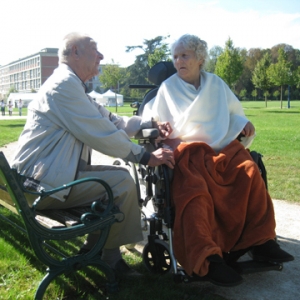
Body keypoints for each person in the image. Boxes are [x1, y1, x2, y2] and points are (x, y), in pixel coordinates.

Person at [12, 32, 175, 277]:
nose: (101, 55)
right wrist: (147, 157)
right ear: (75, 52)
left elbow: (114, 121)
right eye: (94, 49)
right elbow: (104, 135)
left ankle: (94, 248)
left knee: (112, 181)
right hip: (39, 187)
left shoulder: (71, 86)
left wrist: (149, 124)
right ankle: (111, 261)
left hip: (41, 178)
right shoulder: (64, 86)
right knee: (121, 182)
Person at [142, 34, 294, 286]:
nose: (178, 60)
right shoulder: (168, 88)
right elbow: (152, 120)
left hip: (220, 148)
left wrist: (242, 123)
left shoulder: (216, 84)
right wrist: (158, 128)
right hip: (187, 150)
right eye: (176, 56)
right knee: (195, 190)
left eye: (185, 55)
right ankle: (207, 257)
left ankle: (261, 241)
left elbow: (232, 113)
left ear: (200, 58)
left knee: (249, 169)